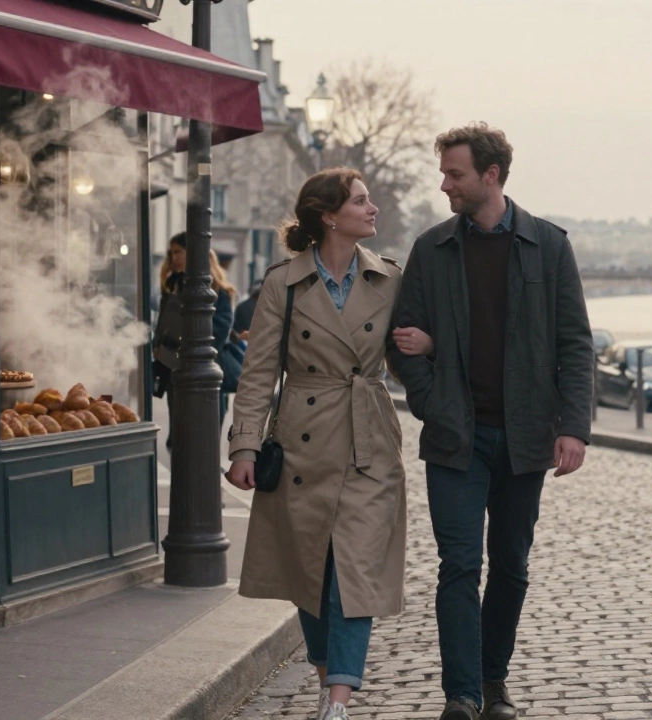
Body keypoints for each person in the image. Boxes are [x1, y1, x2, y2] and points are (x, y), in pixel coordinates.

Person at [386, 123, 594, 720]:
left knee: (510, 566)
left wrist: (572, 427)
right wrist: (433, 401)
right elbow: (402, 343)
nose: (444, 183)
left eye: (455, 173)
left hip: (527, 438)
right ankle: (462, 695)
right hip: (457, 437)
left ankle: (493, 681)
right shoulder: (432, 249)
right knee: (458, 565)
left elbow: (575, 344)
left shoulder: (549, 246)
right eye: (445, 172)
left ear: (491, 176)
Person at [225, 168, 406, 720]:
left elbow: (409, 362)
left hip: (367, 437)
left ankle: (338, 701)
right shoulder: (284, 282)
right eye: (360, 201)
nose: (372, 209)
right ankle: (330, 678)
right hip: (302, 437)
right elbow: (257, 373)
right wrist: (244, 447)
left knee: (355, 566)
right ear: (329, 215)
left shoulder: (391, 279)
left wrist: (428, 344)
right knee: (311, 567)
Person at [152, 233, 238, 440]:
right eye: (171, 253)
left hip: (206, 371)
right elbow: (163, 323)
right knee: (180, 434)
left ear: (194, 255)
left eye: (178, 252)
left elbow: (220, 328)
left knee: (205, 435)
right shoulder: (172, 287)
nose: (174, 258)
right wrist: (158, 346)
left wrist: (191, 350)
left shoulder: (218, 291)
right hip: (175, 368)